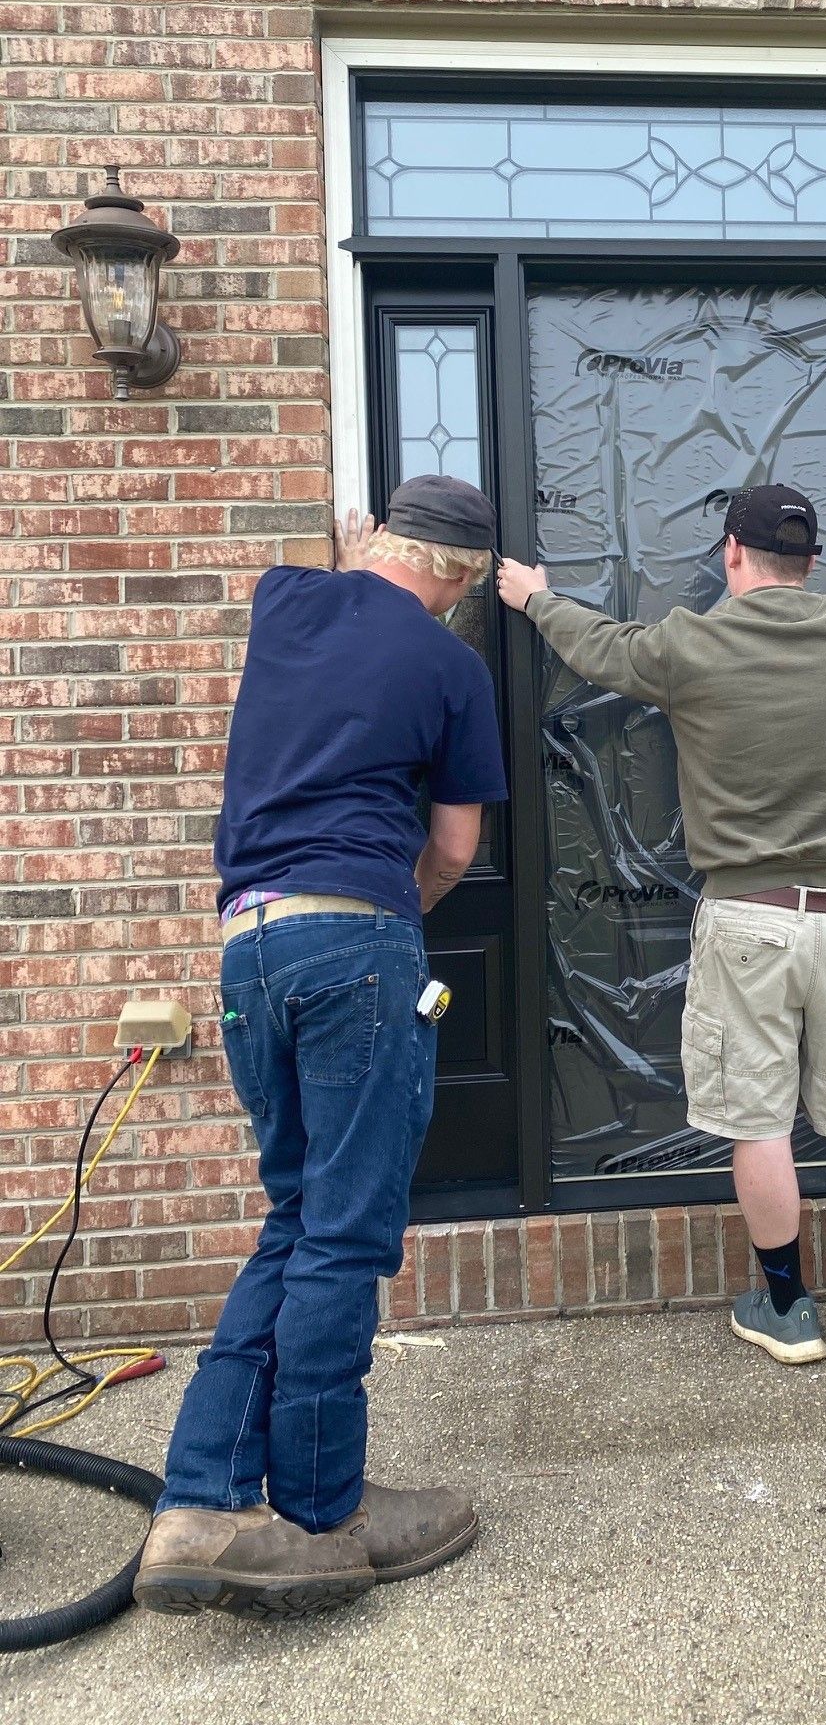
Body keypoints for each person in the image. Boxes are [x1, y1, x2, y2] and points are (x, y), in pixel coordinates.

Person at [135, 476, 509, 1621]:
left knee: (293, 1216)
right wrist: (396, 907)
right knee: (344, 1233)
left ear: (379, 543)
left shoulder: (285, 599)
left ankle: (198, 1500)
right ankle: (319, 1511)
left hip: (247, 945)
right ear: (462, 579)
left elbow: (349, 581)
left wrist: (359, 555)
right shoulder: (453, 667)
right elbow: (451, 845)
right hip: (356, 939)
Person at [498, 484, 826, 1367]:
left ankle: (788, 1311)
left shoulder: (692, 646)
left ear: (731, 554)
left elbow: (599, 647)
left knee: (757, 1121)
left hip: (750, 923)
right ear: (814, 564)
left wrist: (533, 596)